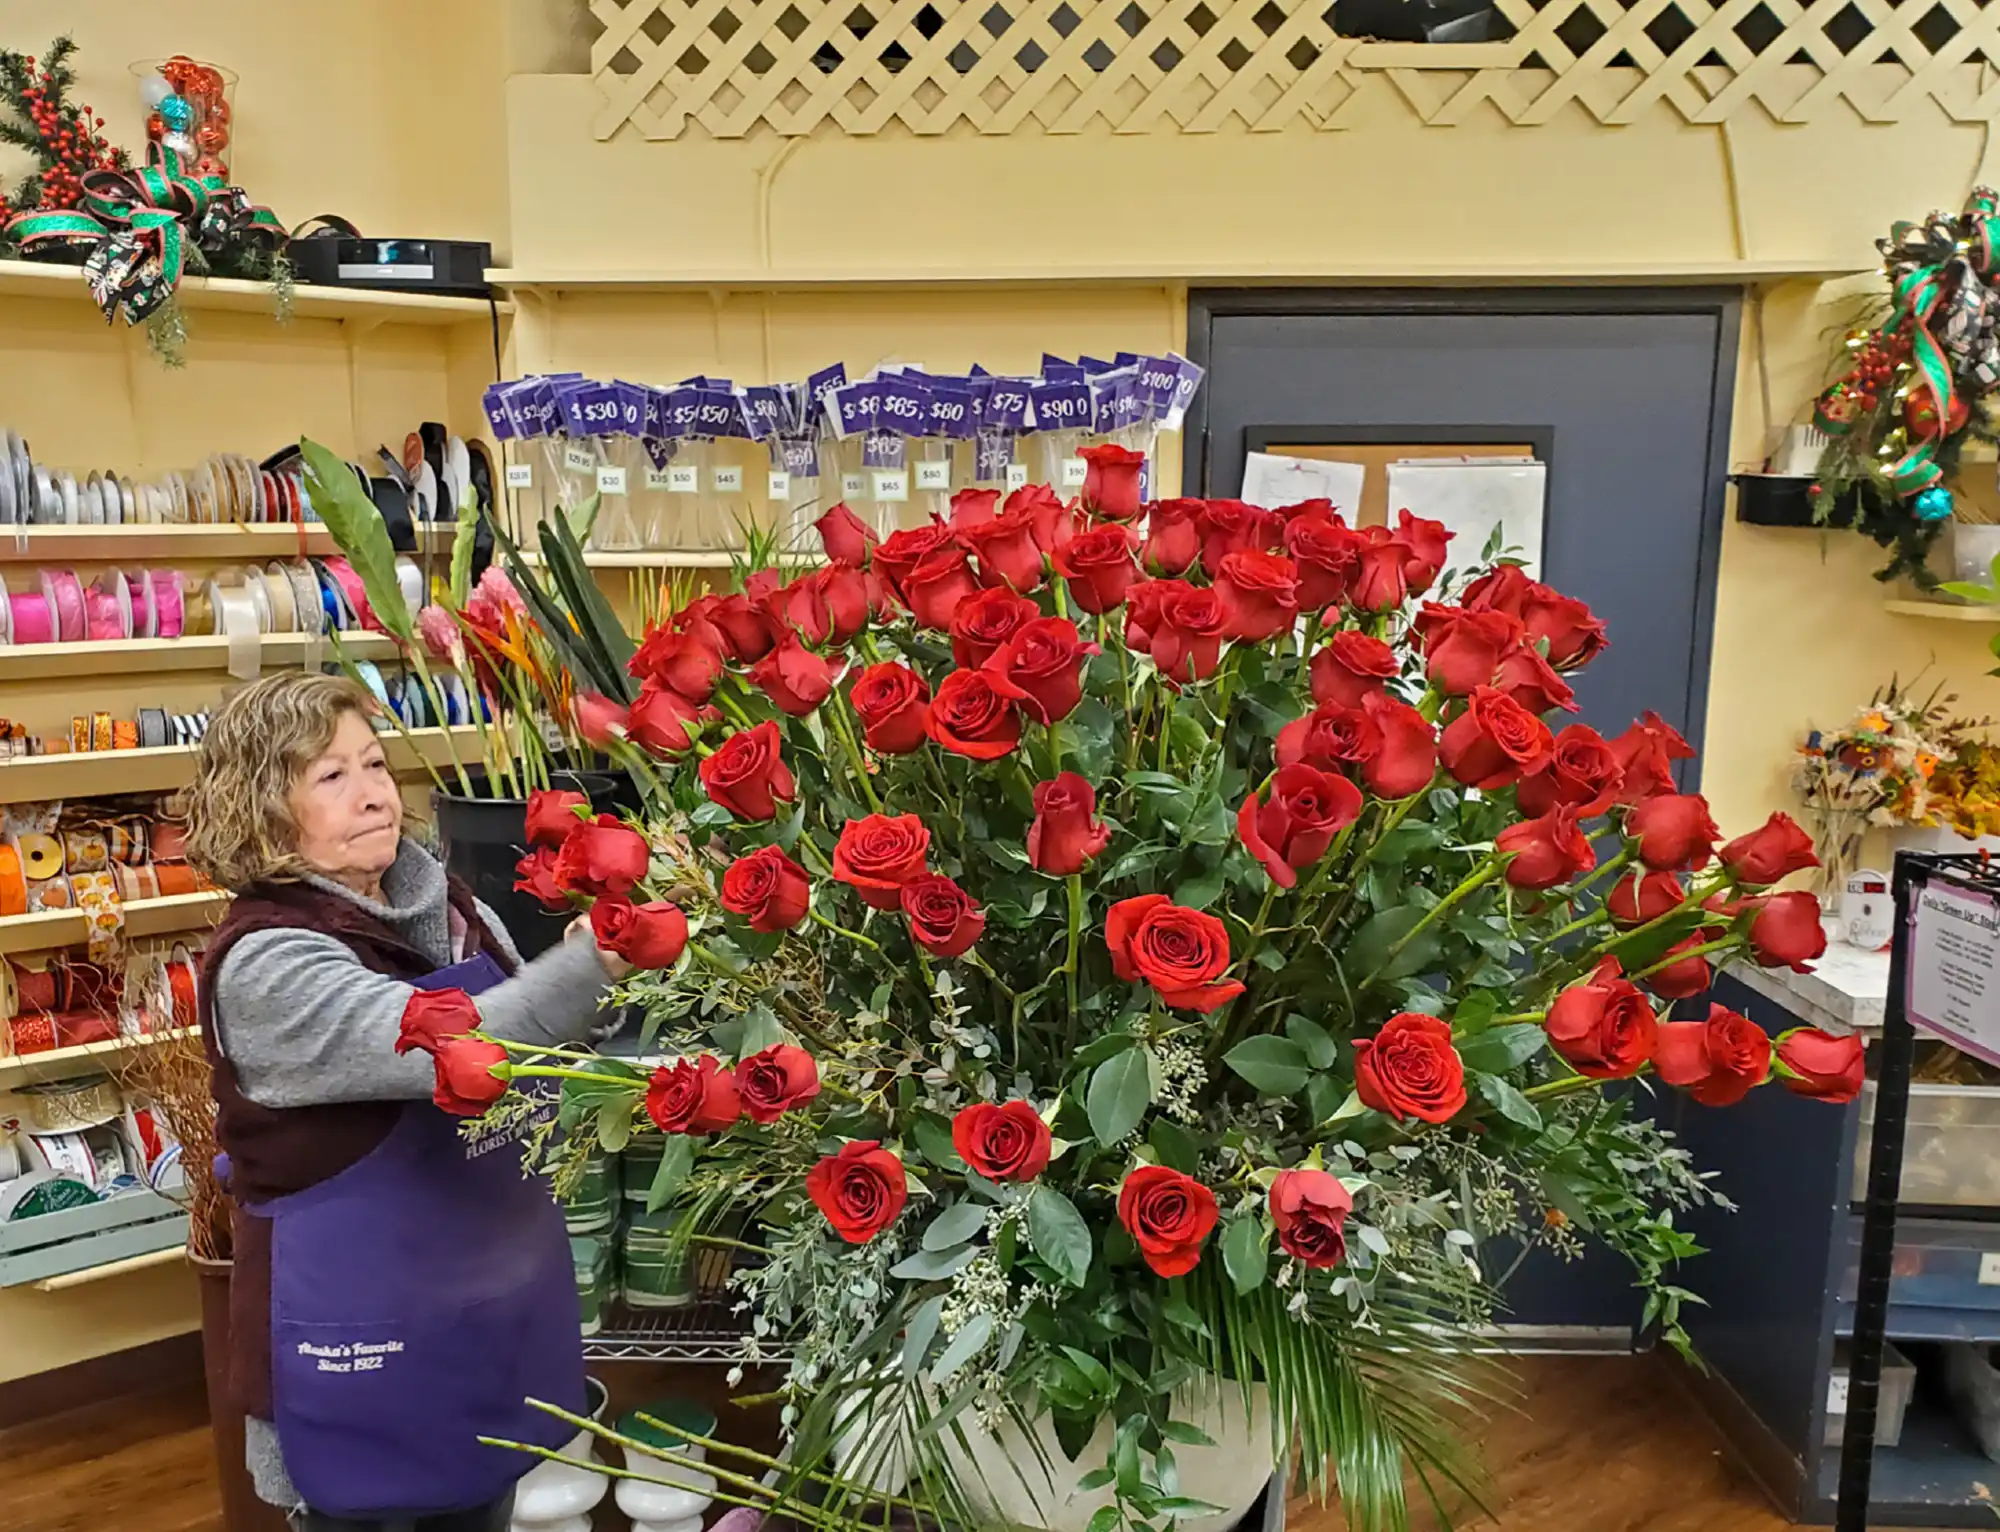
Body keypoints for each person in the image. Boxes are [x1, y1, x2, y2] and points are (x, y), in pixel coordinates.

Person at [183, 672, 627, 1532]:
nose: (373, 792)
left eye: (375, 763)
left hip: (479, 1312)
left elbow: (545, 1047)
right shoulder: (270, 963)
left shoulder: (449, 909)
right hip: (360, 1336)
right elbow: (473, 1044)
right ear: (264, 809)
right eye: (332, 776)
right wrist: (601, 960)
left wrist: (595, 979)